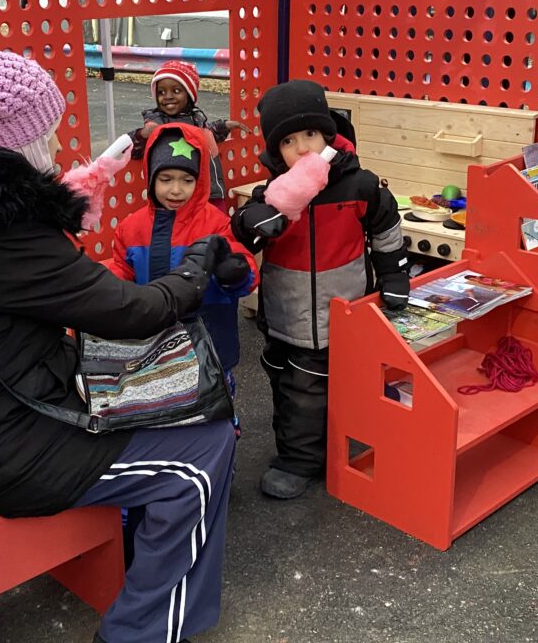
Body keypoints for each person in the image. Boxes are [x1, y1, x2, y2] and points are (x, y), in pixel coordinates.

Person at [0, 51, 234, 643]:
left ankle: (137, 556)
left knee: (159, 396)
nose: (51, 146)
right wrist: (195, 271)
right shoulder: (1, 230)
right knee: (200, 454)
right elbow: (133, 310)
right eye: (45, 133)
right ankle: (141, 632)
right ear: (15, 142)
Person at [231, 79, 411, 500]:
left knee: (307, 391)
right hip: (282, 313)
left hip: (339, 314)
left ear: (328, 134)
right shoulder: (272, 195)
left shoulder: (359, 186)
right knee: (283, 380)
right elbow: (240, 234)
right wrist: (253, 220)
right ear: (276, 152)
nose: (303, 149)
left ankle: (300, 462)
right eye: (289, 141)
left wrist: (396, 279)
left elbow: (387, 232)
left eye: (310, 134)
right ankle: (307, 446)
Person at [110, 122, 259, 431]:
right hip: (153, 342)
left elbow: (242, 266)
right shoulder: (131, 227)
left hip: (210, 341)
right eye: (165, 179)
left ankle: (222, 456)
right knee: (162, 409)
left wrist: (236, 272)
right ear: (151, 177)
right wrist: (105, 291)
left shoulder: (215, 223)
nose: (175, 190)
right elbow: (120, 271)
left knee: (216, 407)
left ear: (200, 179)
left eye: (186, 180)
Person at [130, 59, 244, 210]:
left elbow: (206, 134)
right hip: (181, 198)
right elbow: (132, 148)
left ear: (189, 95)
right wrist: (143, 134)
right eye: (161, 92)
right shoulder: (158, 124)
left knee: (216, 228)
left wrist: (224, 126)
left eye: (176, 91)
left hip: (212, 192)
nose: (168, 96)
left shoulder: (196, 119)